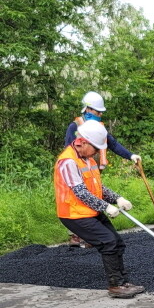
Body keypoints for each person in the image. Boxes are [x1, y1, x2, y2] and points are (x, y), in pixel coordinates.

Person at [54, 120, 145, 298]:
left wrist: (117, 198)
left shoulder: (87, 159)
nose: (97, 152)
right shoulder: (68, 161)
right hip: (74, 214)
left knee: (117, 242)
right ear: (83, 142)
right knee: (107, 242)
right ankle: (116, 286)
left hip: (89, 210)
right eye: (96, 148)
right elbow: (80, 192)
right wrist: (106, 207)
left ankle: (123, 282)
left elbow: (97, 187)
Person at [65, 91, 141, 247]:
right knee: (79, 196)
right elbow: (69, 150)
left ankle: (91, 235)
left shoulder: (100, 127)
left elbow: (112, 144)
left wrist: (130, 155)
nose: (100, 114)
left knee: (93, 194)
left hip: (92, 169)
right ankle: (75, 235)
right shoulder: (75, 127)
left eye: (101, 112)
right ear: (87, 109)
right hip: (76, 170)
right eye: (97, 111)